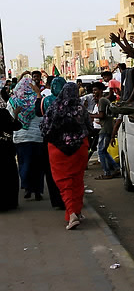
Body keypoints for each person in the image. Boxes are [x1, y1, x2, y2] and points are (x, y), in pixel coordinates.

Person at [40, 83, 93, 230]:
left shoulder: (53, 108)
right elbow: (90, 128)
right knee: (77, 180)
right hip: (79, 149)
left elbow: (44, 129)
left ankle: (72, 215)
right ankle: (76, 211)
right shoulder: (80, 109)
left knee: (64, 182)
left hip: (58, 151)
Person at [6, 78, 45, 200]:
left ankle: (27, 188)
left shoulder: (13, 101)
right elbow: (44, 117)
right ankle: (38, 191)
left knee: (24, 164)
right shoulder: (39, 99)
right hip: (38, 138)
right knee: (38, 165)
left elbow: (10, 119)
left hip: (20, 138)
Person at [33, 77, 67, 209]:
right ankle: (69, 199)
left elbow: (38, 112)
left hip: (50, 140)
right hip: (69, 140)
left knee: (52, 170)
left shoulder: (46, 100)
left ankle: (57, 200)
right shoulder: (71, 100)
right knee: (68, 171)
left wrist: (37, 95)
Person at [89, 82, 120, 179]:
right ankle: (116, 168)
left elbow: (101, 115)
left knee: (101, 151)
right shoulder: (103, 100)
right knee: (103, 150)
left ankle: (107, 172)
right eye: (93, 91)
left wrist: (90, 116)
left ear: (101, 91)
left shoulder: (102, 100)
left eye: (95, 90)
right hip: (106, 127)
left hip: (105, 129)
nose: (94, 93)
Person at [0, 96, 22, 211]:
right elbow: (17, 126)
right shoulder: (4, 113)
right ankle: (10, 203)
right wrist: (16, 114)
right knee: (9, 176)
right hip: (6, 149)